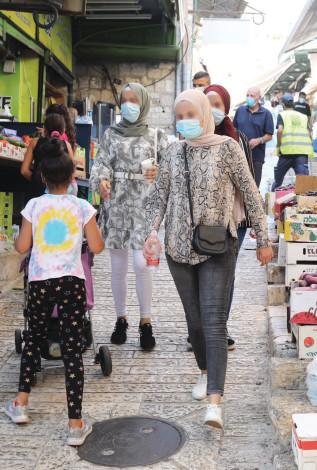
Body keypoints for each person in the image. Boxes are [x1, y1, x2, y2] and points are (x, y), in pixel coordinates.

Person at [144, 90, 273, 428]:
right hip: (177, 248)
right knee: (195, 323)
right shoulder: (172, 152)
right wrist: (149, 233)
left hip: (217, 247)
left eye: (191, 114)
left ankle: (215, 401)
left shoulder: (228, 147)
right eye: (180, 115)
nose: (185, 121)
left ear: (203, 114)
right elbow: (158, 197)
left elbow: (250, 192)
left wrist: (264, 238)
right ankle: (204, 372)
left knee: (214, 323)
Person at [6, 137, 105, 445]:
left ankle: (20, 405)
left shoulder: (34, 206)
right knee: (73, 350)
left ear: (43, 178)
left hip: (39, 282)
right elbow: (98, 247)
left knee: (33, 341)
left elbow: (22, 245)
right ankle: (75, 424)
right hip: (73, 282)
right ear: (72, 177)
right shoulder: (82, 206)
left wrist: (20, 241)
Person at [90, 83, 167, 351]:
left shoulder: (157, 136)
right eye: (124, 100)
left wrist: (159, 173)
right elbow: (99, 163)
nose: (128, 105)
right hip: (117, 206)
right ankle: (120, 318)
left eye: (134, 100)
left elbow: (170, 168)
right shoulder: (110, 134)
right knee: (118, 266)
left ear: (144, 102)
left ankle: (146, 320)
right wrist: (101, 181)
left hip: (145, 207)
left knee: (142, 263)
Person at [205, 83, 256, 351]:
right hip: (199, 220)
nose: (212, 110)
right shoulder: (191, 139)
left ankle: (219, 329)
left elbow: (248, 185)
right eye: (208, 104)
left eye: (217, 105)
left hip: (233, 220)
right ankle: (201, 331)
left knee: (226, 275)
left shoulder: (239, 140)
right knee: (200, 272)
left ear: (226, 108)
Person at [21, 114, 77, 201]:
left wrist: (38, 180)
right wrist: (58, 185)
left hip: (36, 193)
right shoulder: (67, 146)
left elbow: (24, 170)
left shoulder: (34, 143)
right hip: (60, 196)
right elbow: (72, 174)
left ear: (44, 129)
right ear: (63, 131)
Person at [233, 86, 275, 187]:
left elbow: (269, 136)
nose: (249, 97)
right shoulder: (240, 111)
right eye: (247, 95)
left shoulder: (266, 114)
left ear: (259, 97)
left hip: (256, 156)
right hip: (240, 155)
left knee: (254, 186)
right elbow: (233, 130)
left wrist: (259, 140)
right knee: (239, 186)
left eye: (252, 96)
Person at [273, 93, 313, 191]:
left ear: (283, 104)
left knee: (278, 180)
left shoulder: (282, 115)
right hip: (301, 153)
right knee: (303, 181)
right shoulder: (303, 116)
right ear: (293, 104)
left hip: (286, 152)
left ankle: (273, 197)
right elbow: (309, 134)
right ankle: (304, 201)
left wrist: (278, 146)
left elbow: (280, 130)